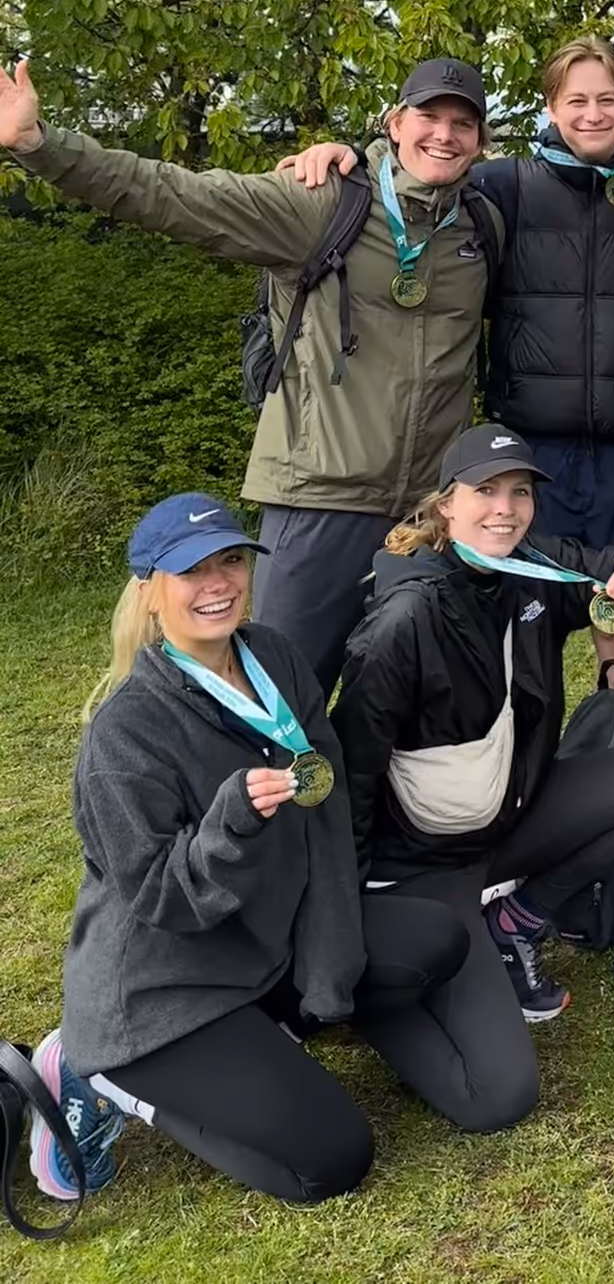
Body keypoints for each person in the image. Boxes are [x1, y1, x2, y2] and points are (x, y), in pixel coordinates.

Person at [0, 56, 498, 697]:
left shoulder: (484, 224)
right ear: (395, 123)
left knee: (413, 706)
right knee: (286, 700)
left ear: (482, 141)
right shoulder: (320, 203)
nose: (445, 134)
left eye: (464, 123)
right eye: (429, 116)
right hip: (321, 496)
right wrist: (40, 145)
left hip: (427, 512)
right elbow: (175, 194)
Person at [36, 494, 476, 1206]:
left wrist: (327, 977)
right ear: (151, 592)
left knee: (435, 939)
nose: (219, 584)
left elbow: (326, 805)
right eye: (192, 571)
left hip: (259, 942)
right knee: (332, 1160)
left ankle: (272, 1027)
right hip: (164, 984)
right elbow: (159, 898)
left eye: (231, 561)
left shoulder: (272, 654)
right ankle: (105, 1073)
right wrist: (229, 824)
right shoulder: (125, 735)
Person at [284, 38, 614, 719]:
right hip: (533, 459)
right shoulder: (505, 184)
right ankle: (515, 783)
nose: (592, 114)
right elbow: (425, 173)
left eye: (606, 100)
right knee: (517, 632)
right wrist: (350, 157)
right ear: (550, 107)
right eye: (576, 101)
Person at [330, 425, 614, 1078]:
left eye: (520, 492)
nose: (505, 508)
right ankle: (439, 951)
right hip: (425, 861)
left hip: (513, 817)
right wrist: (354, 910)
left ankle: (516, 919)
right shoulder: (403, 618)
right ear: (446, 504)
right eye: (486, 491)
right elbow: (354, 769)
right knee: (502, 1087)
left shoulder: (535, 567)